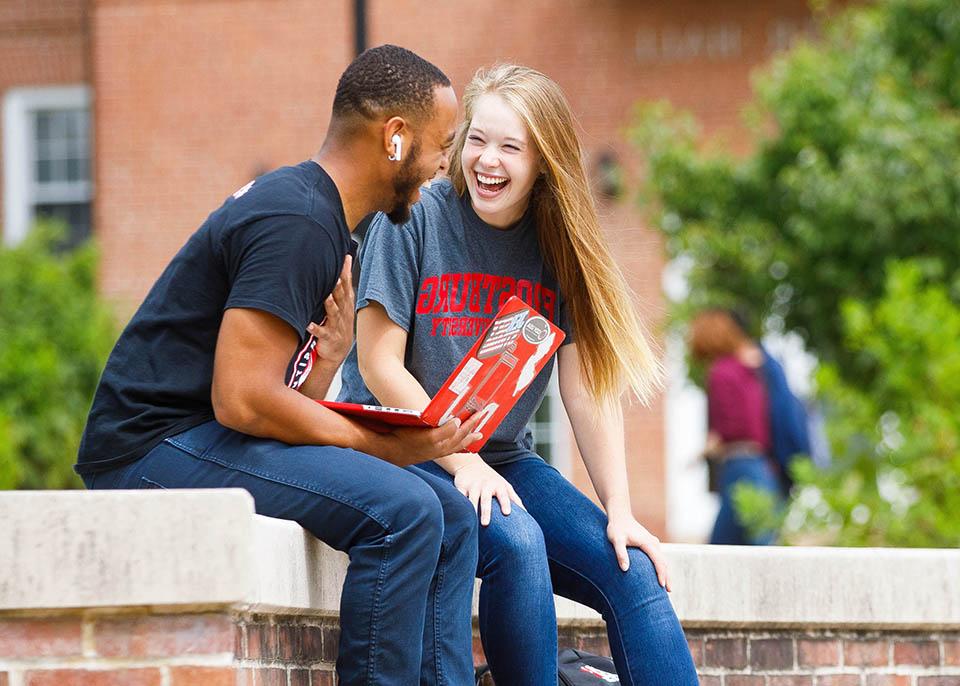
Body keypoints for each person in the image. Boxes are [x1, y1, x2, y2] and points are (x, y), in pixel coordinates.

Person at [75, 45, 486, 686]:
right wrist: (383, 447)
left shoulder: (325, 222)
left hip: (209, 436)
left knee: (452, 518)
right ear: (396, 138)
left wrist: (327, 366)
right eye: (444, 145)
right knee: (404, 510)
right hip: (148, 450)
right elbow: (240, 398)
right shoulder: (299, 219)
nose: (444, 166)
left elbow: (269, 394)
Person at [338, 64, 700, 686]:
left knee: (632, 571)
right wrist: (460, 458)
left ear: (543, 164)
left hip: (501, 458)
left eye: (511, 146)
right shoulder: (414, 215)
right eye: (477, 139)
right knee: (519, 544)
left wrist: (619, 507)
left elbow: (586, 385)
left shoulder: (556, 244)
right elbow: (377, 365)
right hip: (402, 447)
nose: (487, 160)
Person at [688, 309, 784, 545]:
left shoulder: (720, 372)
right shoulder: (749, 371)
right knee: (759, 546)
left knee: (718, 550)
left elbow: (731, 428)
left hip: (738, 466)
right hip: (762, 467)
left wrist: (705, 450)